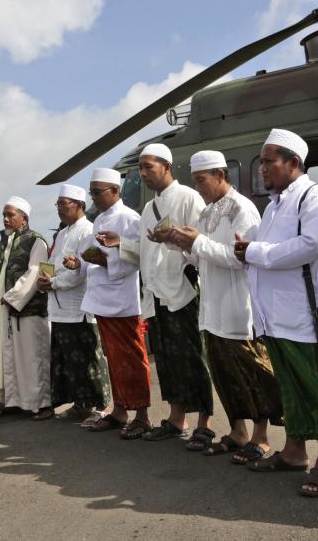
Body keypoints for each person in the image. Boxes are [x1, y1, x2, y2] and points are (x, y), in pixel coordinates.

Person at [234, 128, 318, 497]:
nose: (262, 169)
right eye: (262, 162)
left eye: (269, 161)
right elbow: (266, 250)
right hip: (274, 316)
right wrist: (247, 252)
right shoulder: (273, 205)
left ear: (294, 163)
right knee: (291, 389)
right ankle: (294, 452)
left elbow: (314, 243)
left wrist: (254, 252)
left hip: (305, 314)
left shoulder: (312, 196)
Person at [169, 150, 284, 463]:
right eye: (194, 182)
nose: (199, 188)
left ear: (220, 175)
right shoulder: (206, 213)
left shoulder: (241, 209)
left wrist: (196, 243)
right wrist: (180, 244)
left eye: (201, 180)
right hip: (212, 306)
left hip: (238, 305)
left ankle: (261, 437)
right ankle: (237, 431)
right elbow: (201, 256)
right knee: (224, 373)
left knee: (251, 374)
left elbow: (239, 256)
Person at [96, 143, 211, 445]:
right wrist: (120, 244)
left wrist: (173, 238)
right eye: (141, 169)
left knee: (192, 358)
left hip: (183, 291)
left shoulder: (189, 198)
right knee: (169, 361)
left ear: (167, 166)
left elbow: (202, 246)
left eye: (149, 167)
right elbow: (144, 255)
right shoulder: (148, 208)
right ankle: (176, 418)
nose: (143, 173)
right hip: (157, 295)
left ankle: (204, 423)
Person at [65, 168, 151, 439]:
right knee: (114, 360)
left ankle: (142, 416)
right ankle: (120, 411)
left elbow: (139, 259)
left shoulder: (130, 218)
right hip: (102, 299)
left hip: (122, 301)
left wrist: (107, 260)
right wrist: (83, 262)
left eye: (97, 192)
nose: (94, 198)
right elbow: (96, 255)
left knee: (132, 360)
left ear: (116, 191)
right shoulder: (100, 218)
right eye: (91, 192)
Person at [37, 183, 111, 424]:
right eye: (57, 204)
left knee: (88, 359)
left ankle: (98, 407)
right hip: (58, 307)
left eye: (63, 204)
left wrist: (55, 283)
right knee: (69, 361)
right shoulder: (62, 233)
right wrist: (45, 279)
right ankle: (80, 405)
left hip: (79, 308)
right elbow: (53, 263)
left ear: (80, 205)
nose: (59, 209)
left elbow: (82, 271)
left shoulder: (88, 230)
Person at [0, 196, 52, 419]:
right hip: (3, 309)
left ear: (24, 218)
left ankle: (41, 403)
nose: (5, 219)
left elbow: (35, 272)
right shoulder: (3, 241)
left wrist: (11, 298)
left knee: (31, 357)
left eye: (10, 214)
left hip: (27, 310)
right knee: (6, 356)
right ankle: (8, 400)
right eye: (4, 214)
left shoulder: (35, 240)